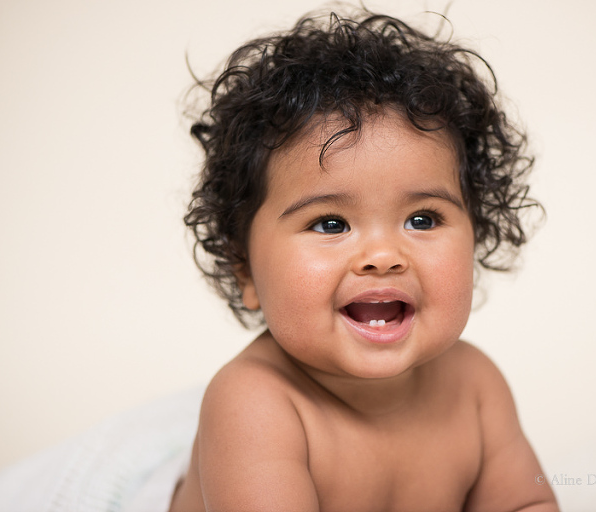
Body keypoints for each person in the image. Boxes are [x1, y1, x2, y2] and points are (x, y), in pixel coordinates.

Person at [171, 8, 558, 512]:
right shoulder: (254, 404)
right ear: (244, 268)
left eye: (422, 219)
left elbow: (524, 504)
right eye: (331, 223)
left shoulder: (475, 386)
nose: (382, 256)